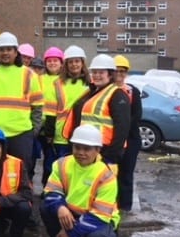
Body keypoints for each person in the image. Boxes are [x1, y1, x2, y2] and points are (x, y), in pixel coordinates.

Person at [38, 124, 120, 237]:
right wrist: (60, 208)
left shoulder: (106, 175)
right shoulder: (62, 164)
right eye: (77, 147)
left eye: (87, 149)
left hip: (99, 219)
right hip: (69, 212)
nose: (81, 152)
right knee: (46, 207)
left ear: (97, 150)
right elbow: (51, 192)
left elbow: (100, 215)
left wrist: (71, 233)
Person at [0, 32, 43, 179]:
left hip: (21, 133)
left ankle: (23, 200)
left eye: (9, 49)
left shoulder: (28, 74)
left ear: (16, 52)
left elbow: (38, 107)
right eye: (2, 50)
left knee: (22, 173)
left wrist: (32, 131)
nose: (5, 53)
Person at [63, 54, 130, 168]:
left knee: (101, 185)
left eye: (101, 72)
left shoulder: (118, 95)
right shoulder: (91, 92)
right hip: (85, 149)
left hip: (104, 153)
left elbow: (122, 130)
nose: (96, 75)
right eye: (94, 72)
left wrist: (109, 157)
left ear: (110, 74)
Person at [41, 45, 90, 187]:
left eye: (77, 61)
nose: (74, 65)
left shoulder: (90, 85)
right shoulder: (57, 84)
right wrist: (49, 134)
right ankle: (49, 193)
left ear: (82, 63)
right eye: (71, 62)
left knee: (75, 170)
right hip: (59, 135)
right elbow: (50, 110)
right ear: (66, 65)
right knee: (51, 168)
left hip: (81, 135)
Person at [113, 55, 142, 212]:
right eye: (116, 71)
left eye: (122, 71)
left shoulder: (132, 92)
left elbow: (137, 115)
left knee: (126, 174)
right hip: (112, 140)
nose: (119, 74)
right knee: (110, 174)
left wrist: (121, 128)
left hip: (130, 140)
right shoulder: (106, 90)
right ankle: (110, 203)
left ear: (126, 72)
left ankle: (124, 206)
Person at [39, 46, 64, 185]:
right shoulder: (40, 79)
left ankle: (49, 187)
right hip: (38, 124)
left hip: (55, 125)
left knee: (51, 160)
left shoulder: (64, 80)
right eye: (49, 61)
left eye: (55, 60)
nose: (52, 63)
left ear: (61, 63)